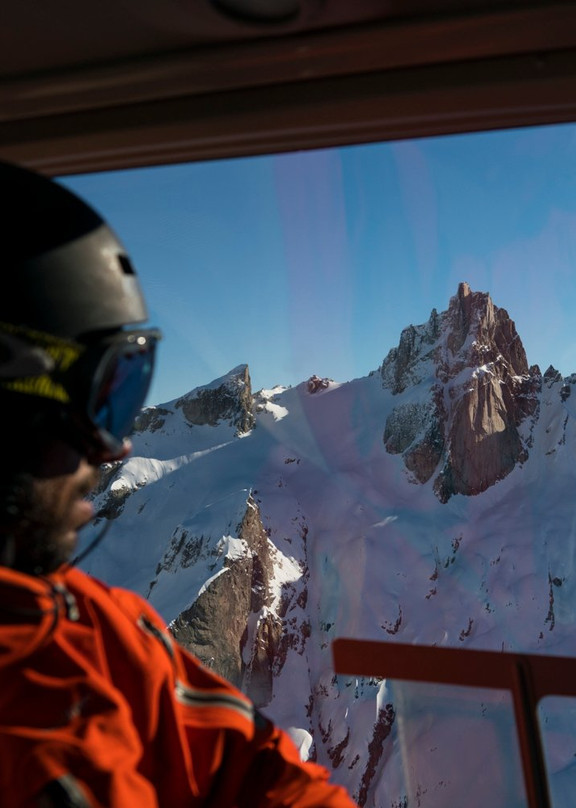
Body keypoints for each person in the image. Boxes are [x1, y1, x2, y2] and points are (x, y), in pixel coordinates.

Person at [0, 161, 358, 808]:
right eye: (106, 396)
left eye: (132, 391)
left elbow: (245, 765)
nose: (119, 446)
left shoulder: (95, 631)